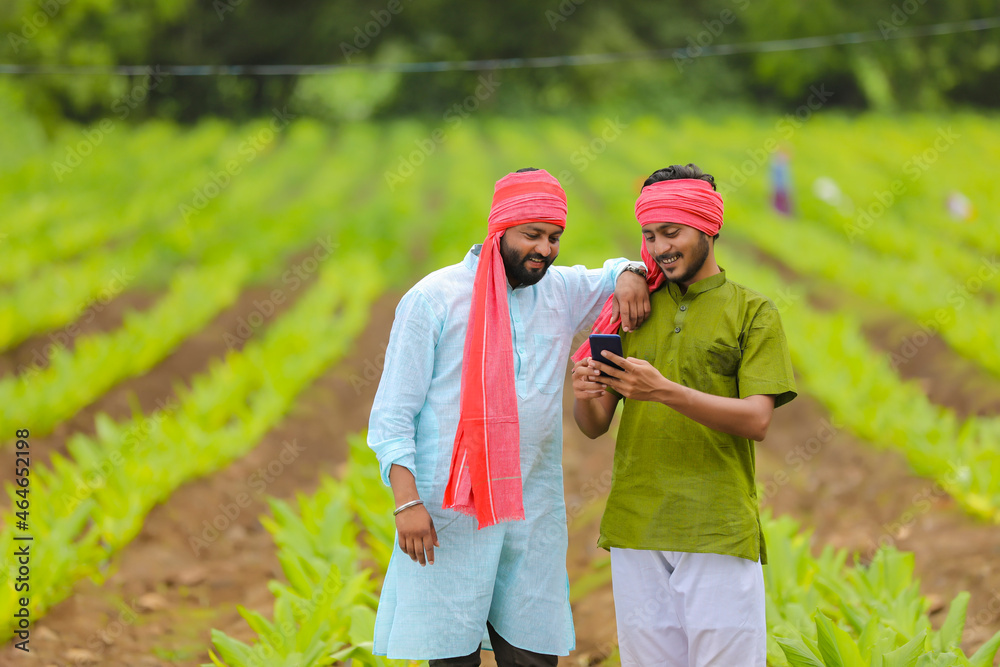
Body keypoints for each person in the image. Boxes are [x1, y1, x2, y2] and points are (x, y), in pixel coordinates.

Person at [367, 167, 652, 665]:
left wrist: (631, 273)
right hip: (447, 514)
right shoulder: (433, 299)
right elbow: (393, 414)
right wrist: (406, 503)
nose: (544, 248)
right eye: (532, 235)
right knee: (452, 657)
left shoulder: (559, 291)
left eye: (555, 237)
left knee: (532, 656)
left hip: (532, 511)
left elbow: (616, 273)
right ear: (499, 230)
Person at [571, 164, 797, 667]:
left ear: (708, 227)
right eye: (649, 236)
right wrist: (585, 391)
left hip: (716, 527)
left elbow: (757, 420)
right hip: (636, 528)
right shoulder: (633, 308)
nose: (658, 248)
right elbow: (594, 424)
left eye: (670, 233)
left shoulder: (753, 312)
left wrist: (666, 392)